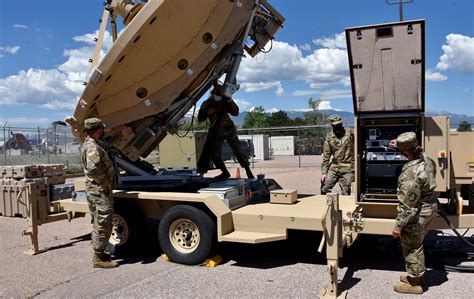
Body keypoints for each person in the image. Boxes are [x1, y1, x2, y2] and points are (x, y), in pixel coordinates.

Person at [390, 132, 438, 294]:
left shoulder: (410, 173)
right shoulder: (427, 159)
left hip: (418, 211)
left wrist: (398, 226)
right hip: (430, 206)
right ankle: (414, 274)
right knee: (417, 243)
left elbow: (407, 206)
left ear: (406, 152)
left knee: (412, 246)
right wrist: (399, 144)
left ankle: (415, 282)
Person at [82, 117, 118, 268]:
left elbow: (107, 143)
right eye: (101, 129)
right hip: (99, 191)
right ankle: (98, 258)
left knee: (99, 221)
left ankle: (100, 252)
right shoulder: (92, 147)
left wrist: (123, 133)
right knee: (103, 222)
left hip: (97, 190)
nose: (103, 131)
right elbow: (93, 169)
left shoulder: (95, 143)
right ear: (97, 130)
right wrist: (105, 184)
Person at [197, 85, 254, 179]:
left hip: (229, 129)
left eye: (220, 93)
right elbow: (200, 118)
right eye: (217, 93)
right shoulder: (207, 103)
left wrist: (230, 101)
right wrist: (208, 113)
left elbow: (236, 112)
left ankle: (248, 172)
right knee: (214, 153)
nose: (219, 95)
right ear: (213, 93)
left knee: (238, 150)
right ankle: (225, 172)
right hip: (216, 131)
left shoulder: (226, 100)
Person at [320, 114, 354, 195]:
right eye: (335, 125)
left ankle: (345, 207)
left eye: (339, 124)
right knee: (324, 188)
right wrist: (324, 173)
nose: (337, 126)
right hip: (334, 167)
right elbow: (326, 155)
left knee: (346, 192)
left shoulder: (351, 133)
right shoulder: (329, 137)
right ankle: (326, 206)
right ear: (332, 125)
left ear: (341, 124)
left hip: (348, 167)